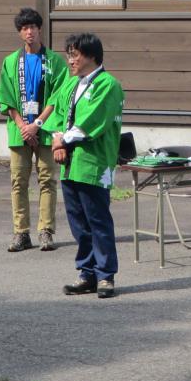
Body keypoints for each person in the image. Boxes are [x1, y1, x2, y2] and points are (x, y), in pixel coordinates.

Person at [45, 33, 124, 299]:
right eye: (69, 54)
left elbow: (92, 122)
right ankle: (87, 273)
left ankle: (105, 276)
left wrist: (61, 141)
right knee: (78, 222)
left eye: (74, 55)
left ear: (91, 55)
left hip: (94, 163)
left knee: (98, 220)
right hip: (70, 164)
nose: (70, 60)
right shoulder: (71, 84)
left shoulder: (108, 85)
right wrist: (57, 138)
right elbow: (56, 114)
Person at [0, 8, 68, 253]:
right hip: (19, 132)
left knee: (48, 180)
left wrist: (36, 125)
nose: (29, 32)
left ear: (40, 29)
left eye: (33, 27)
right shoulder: (10, 62)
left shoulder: (55, 61)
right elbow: (6, 99)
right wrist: (23, 127)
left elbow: (58, 98)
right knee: (19, 182)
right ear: (20, 33)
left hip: (46, 130)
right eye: (24, 28)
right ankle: (21, 232)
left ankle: (46, 231)